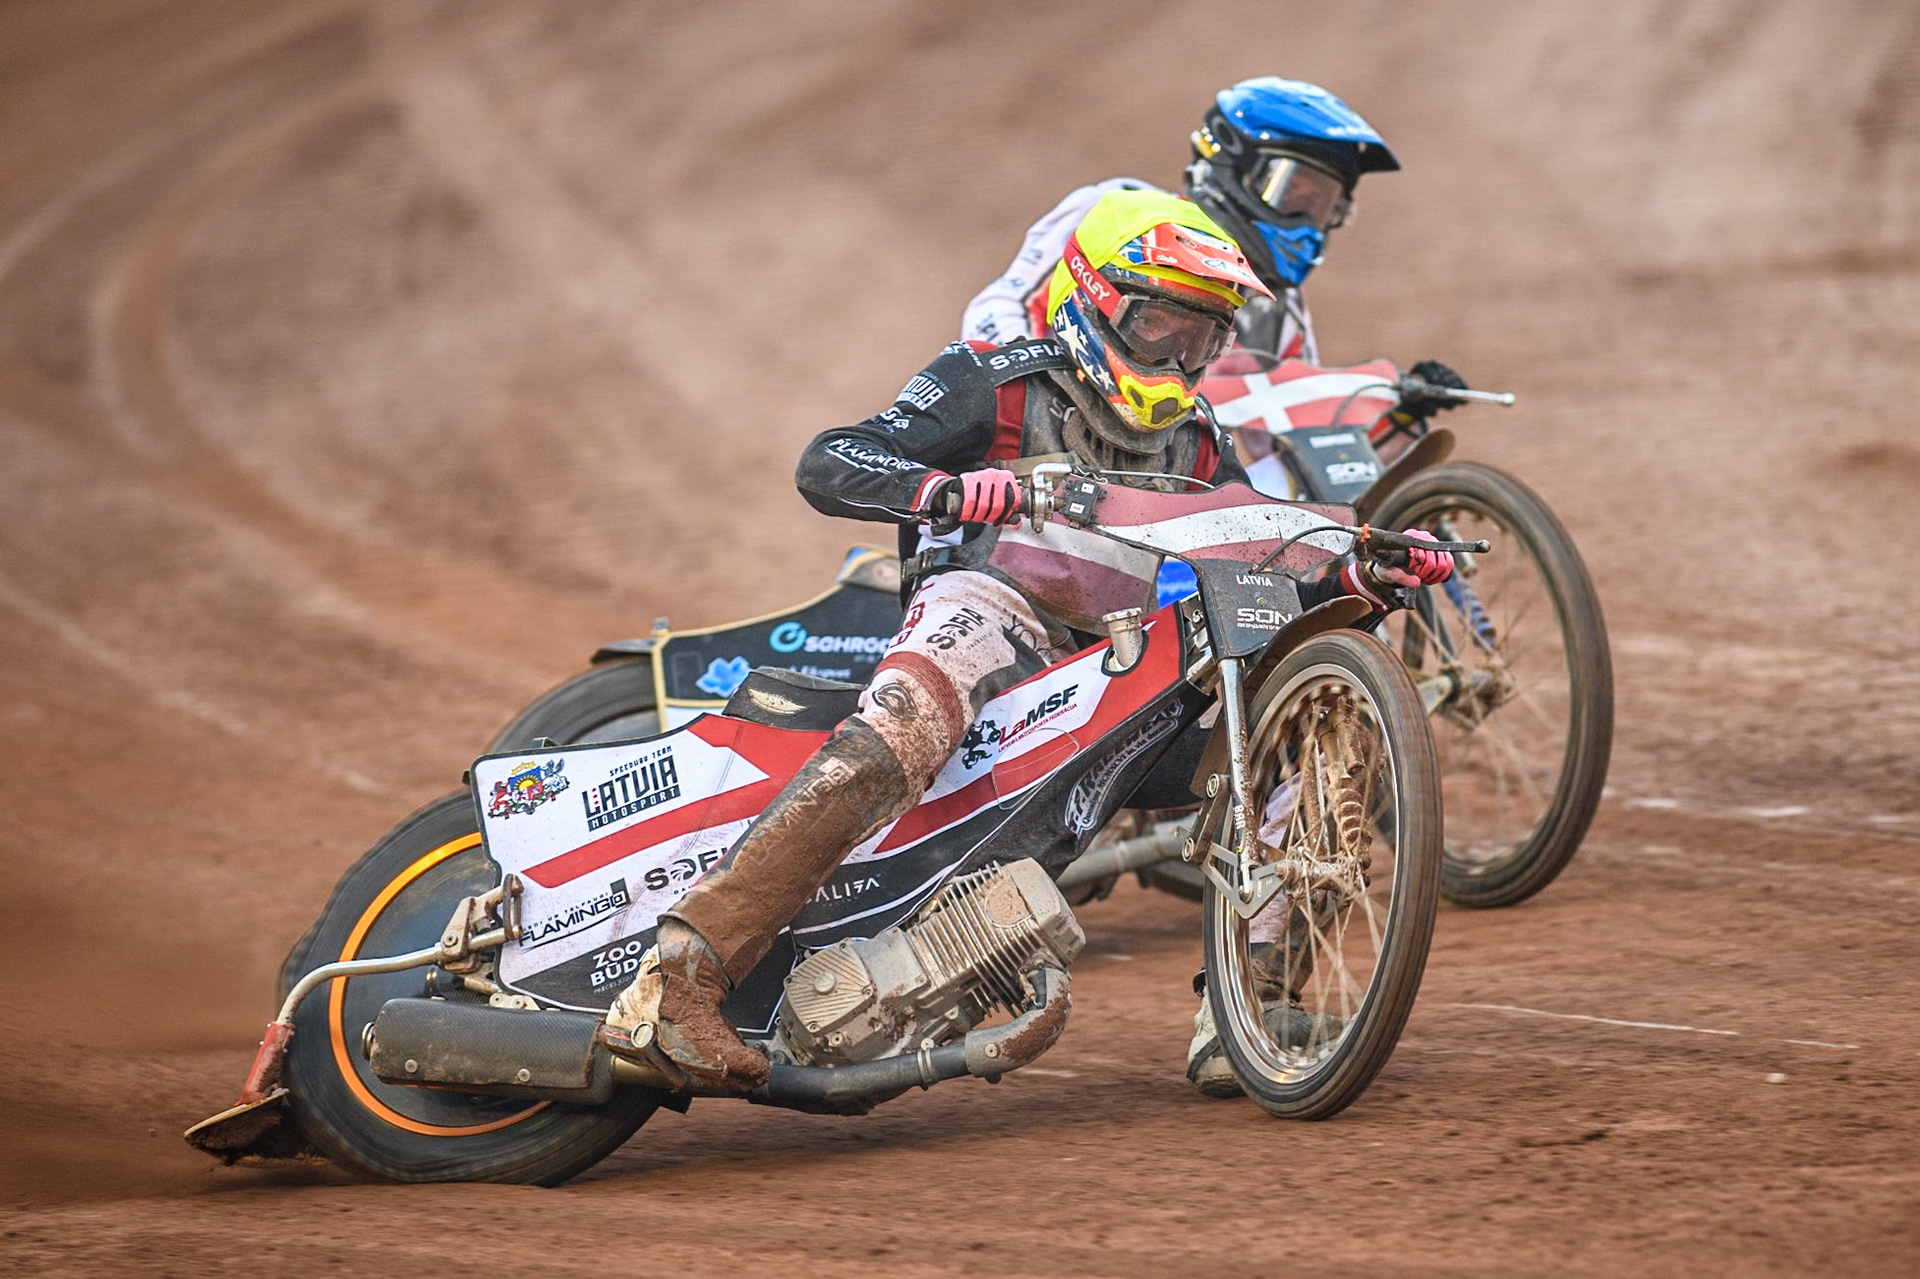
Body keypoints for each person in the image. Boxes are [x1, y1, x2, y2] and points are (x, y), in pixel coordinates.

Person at [604, 189, 1454, 1094]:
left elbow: (1257, 541)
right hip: (990, 610)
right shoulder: (996, 378)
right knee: (919, 701)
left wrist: (1361, 573)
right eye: (1159, 323)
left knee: (1318, 727)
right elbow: (832, 459)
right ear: (1095, 297)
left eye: (1201, 339)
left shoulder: (1200, 439)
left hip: (1112, 665)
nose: (1176, 356)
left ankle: (1252, 1000)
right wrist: (942, 491)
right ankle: (682, 980)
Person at [961, 77, 1470, 491]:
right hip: (1031, 458)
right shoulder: (1121, 211)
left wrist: (1395, 417)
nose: (1308, 225)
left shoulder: (1274, 305)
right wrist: (1030, 388)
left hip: (1157, 481)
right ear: (1229, 165)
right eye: (1292, 193)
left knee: (1304, 490)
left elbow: (1303, 442)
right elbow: (994, 308)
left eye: (1324, 208)